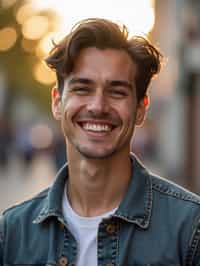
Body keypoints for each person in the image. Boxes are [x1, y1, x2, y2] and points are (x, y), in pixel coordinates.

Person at [0, 18, 200, 266]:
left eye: (117, 92)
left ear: (140, 108)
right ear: (57, 102)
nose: (98, 106)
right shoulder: (12, 234)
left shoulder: (190, 229)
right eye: (82, 89)